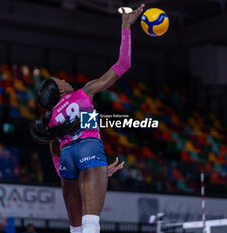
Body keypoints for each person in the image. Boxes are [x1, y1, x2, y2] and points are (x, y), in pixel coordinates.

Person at [30, 4, 144, 233]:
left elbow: (55, 147)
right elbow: (124, 64)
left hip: (67, 159)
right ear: (61, 90)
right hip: (88, 149)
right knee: (91, 224)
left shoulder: (51, 117)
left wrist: (69, 170)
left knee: (76, 229)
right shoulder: (84, 92)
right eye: (60, 80)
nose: (64, 79)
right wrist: (125, 27)